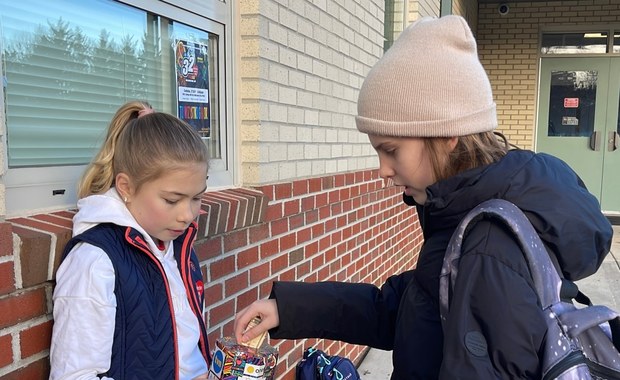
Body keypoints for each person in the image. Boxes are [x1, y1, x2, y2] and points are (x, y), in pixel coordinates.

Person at [233, 15, 614, 379]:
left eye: (391, 150)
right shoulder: (466, 218)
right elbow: (405, 309)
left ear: (447, 133)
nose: (382, 169)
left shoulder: (489, 245)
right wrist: (288, 308)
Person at [50, 100, 211, 380]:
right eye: (172, 200)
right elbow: (74, 375)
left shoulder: (175, 244)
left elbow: (184, 350)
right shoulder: (95, 260)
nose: (188, 215)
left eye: (197, 197)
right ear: (126, 187)